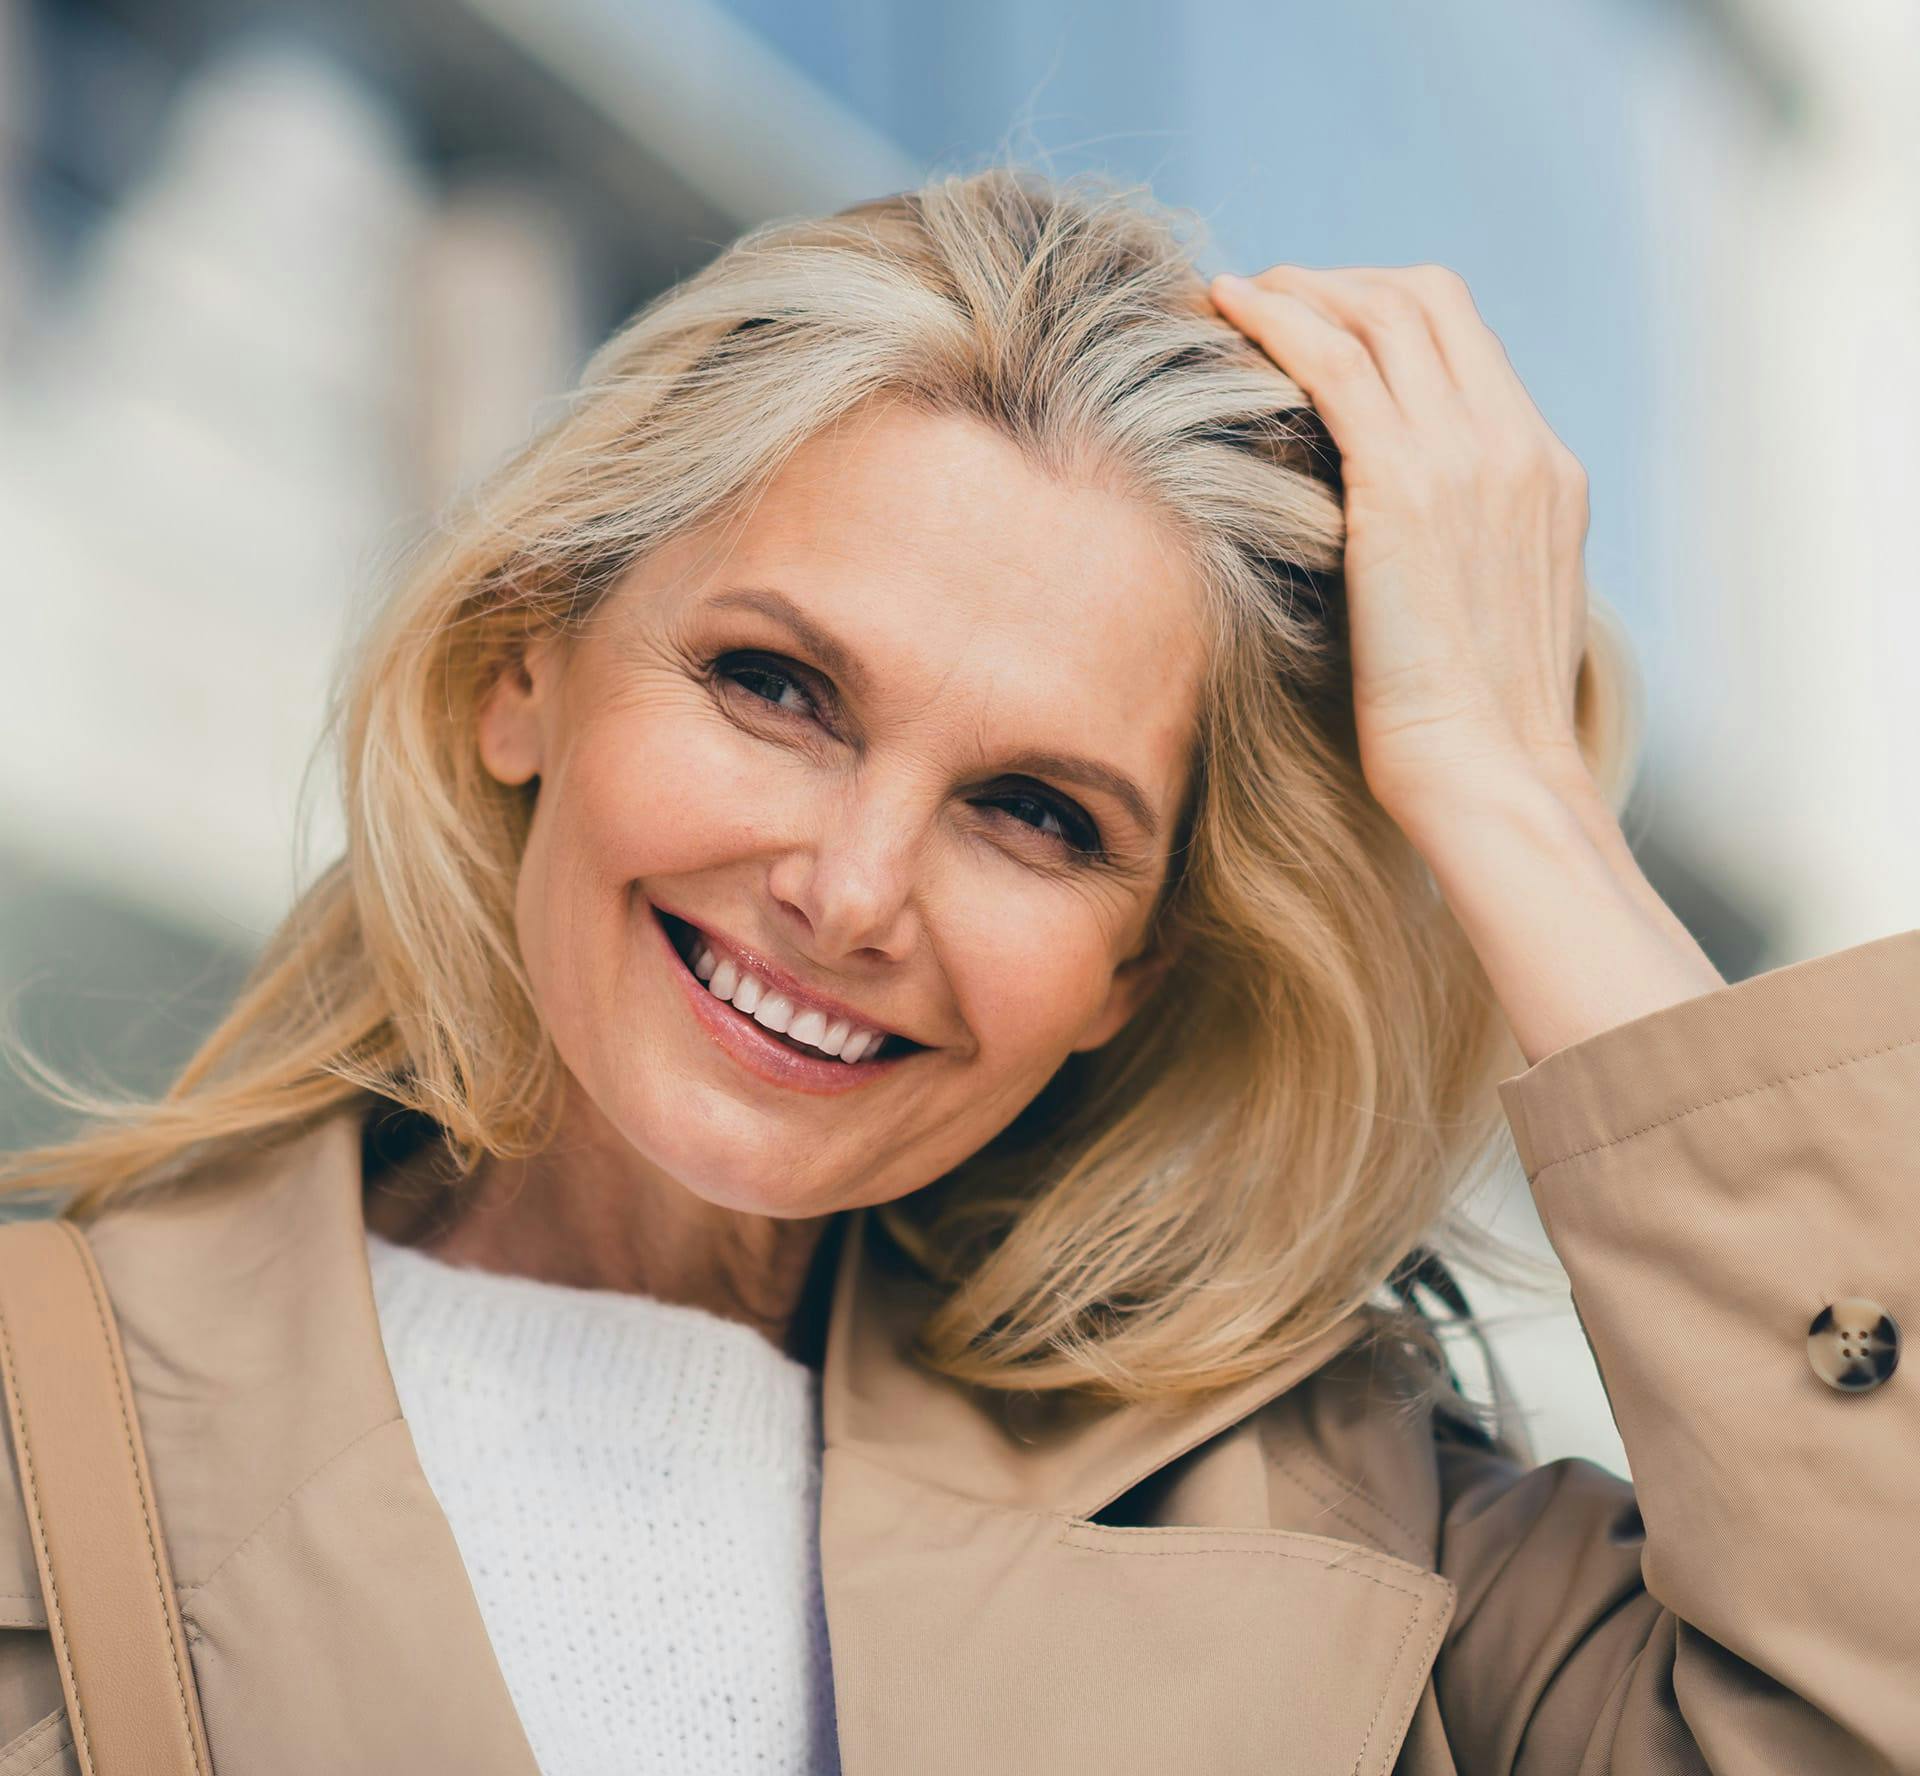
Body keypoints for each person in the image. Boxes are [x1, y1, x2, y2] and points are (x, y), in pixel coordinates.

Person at [0, 165, 1912, 1776]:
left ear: (1134, 970)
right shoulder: (43, 1417)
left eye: (1038, 815)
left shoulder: (1369, 1546)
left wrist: (1514, 797)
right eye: (774, 687)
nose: (848, 891)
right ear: (523, 667)